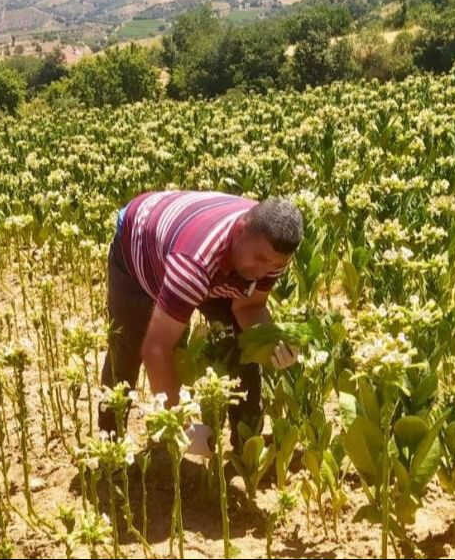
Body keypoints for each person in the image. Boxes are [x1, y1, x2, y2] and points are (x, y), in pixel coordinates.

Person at [98, 191, 303, 454]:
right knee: (128, 348)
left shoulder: (269, 247)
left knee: (241, 341)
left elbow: (249, 306)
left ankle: (246, 451)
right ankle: (109, 450)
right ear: (240, 230)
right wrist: (181, 427)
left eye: (275, 265)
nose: (264, 272)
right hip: (139, 240)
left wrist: (272, 340)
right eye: (261, 260)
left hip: (198, 250)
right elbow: (156, 349)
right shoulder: (193, 267)